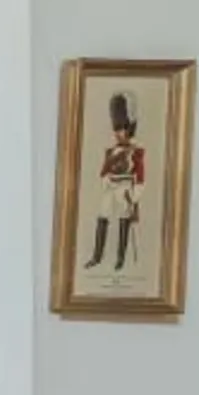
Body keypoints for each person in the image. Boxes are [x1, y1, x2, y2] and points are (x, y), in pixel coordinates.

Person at [84, 89, 147, 280]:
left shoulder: (136, 152)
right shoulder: (110, 152)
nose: (118, 133)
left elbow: (140, 176)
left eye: (121, 129)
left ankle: (120, 259)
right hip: (110, 189)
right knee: (102, 216)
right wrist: (107, 181)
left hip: (126, 189)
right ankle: (97, 256)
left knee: (123, 219)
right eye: (116, 129)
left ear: (129, 129)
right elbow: (103, 173)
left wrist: (134, 197)